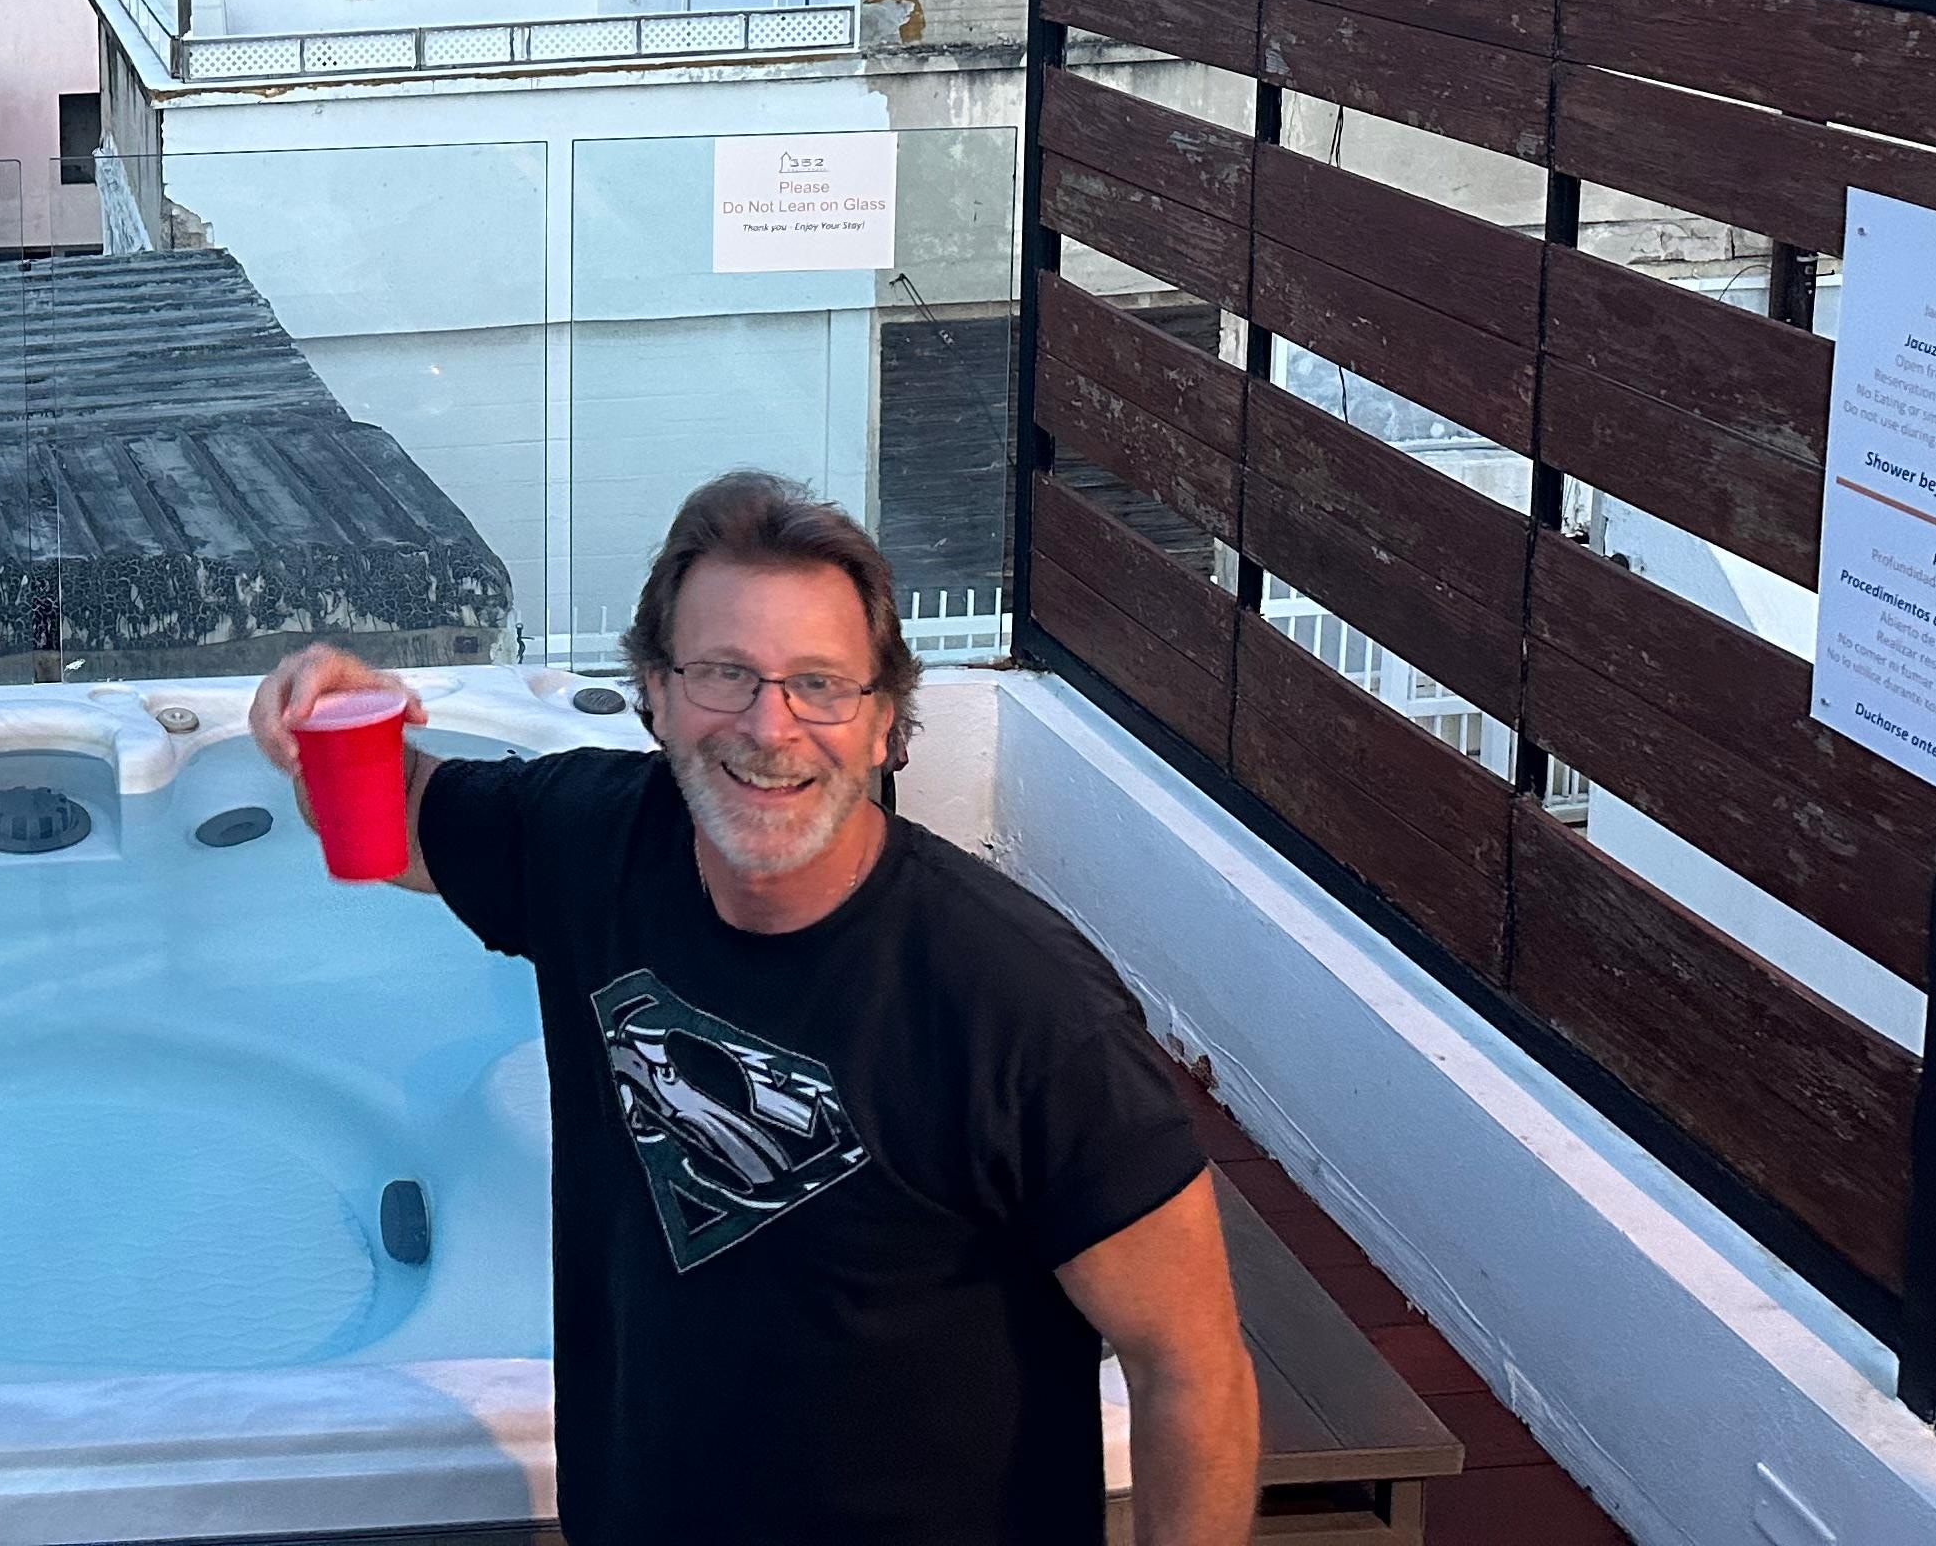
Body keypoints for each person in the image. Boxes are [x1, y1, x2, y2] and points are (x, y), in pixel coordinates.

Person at [253, 471, 1258, 1546]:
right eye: (725, 673)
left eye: (819, 684)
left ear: (885, 727)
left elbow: (1191, 1369)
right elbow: (398, 816)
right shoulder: (591, 842)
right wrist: (321, 706)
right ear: (656, 693)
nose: (770, 728)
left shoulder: (1021, 1007)